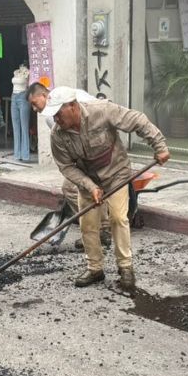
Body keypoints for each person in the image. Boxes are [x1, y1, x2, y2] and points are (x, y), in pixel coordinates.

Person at [41, 86, 170, 291]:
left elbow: (137, 120)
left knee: (118, 218)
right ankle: (95, 268)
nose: (56, 119)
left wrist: (159, 146)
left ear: (73, 106)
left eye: (58, 113)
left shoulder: (101, 111)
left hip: (115, 173)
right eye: (53, 115)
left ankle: (126, 268)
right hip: (87, 178)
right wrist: (90, 186)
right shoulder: (58, 135)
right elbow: (66, 166)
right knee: (88, 224)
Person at [28, 82, 112, 250]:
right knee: (72, 187)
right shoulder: (50, 118)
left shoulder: (73, 99)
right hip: (83, 158)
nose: (34, 109)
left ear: (44, 96)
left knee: (73, 188)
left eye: (34, 103)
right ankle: (101, 229)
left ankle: (99, 231)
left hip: (100, 152)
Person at [11, 63, 31, 162]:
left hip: (23, 96)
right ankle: (17, 154)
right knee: (15, 127)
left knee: (24, 127)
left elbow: (30, 86)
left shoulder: (28, 73)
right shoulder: (16, 72)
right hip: (14, 96)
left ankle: (25, 155)